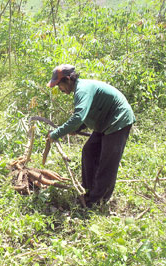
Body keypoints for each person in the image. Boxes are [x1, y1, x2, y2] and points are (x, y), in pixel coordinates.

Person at [47, 64, 135, 207]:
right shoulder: (79, 90)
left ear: (68, 80)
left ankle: (97, 201)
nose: (60, 89)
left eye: (59, 85)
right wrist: (79, 128)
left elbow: (78, 117)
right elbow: (88, 113)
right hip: (103, 123)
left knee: (107, 163)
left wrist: (56, 133)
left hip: (118, 120)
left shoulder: (82, 90)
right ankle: (87, 191)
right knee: (89, 152)